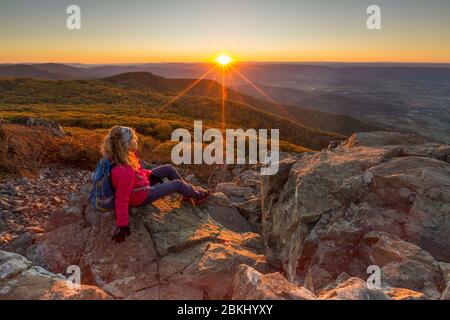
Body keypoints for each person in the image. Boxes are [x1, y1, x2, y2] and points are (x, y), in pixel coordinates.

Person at [102, 126, 211, 243]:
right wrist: (122, 226)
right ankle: (198, 196)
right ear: (126, 144)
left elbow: (136, 173)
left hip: (139, 184)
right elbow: (122, 199)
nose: (135, 141)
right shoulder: (124, 170)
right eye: (133, 139)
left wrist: (149, 174)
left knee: (168, 168)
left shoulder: (117, 157)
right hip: (141, 196)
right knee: (177, 184)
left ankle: (186, 193)